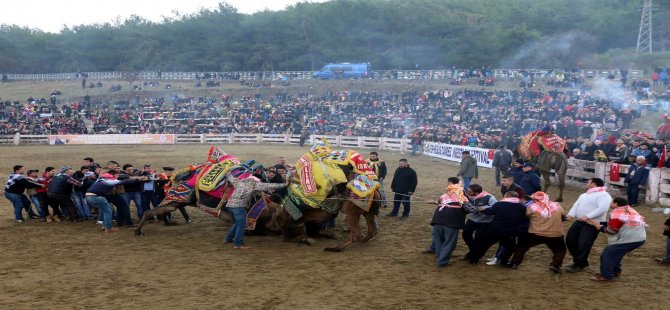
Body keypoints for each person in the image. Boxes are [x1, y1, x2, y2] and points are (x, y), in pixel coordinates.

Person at [586, 197, 646, 281]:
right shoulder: (628, 210)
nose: (610, 204)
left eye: (612, 202)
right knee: (616, 253)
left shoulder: (616, 214)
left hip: (629, 239)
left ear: (616, 204)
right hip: (639, 238)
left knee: (608, 254)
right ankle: (615, 271)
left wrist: (600, 227)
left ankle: (606, 275)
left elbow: (612, 230)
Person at [225, 174, 288, 249]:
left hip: (229, 206)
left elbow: (230, 177)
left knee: (237, 223)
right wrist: (284, 185)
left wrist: (227, 172)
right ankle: (238, 244)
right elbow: (269, 186)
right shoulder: (254, 185)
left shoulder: (239, 182)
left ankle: (228, 239)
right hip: (239, 206)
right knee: (241, 225)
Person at [510, 192, 567, 273]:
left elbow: (525, 216)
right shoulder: (557, 206)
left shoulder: (531, 206)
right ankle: (555, 265)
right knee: (560, 250)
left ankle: (514, 263)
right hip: (555, 234)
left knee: (522, 247)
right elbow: (563, 218)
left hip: (536, 233)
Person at [565, 178, 613, 273]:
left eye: (588, 182)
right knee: (570, 240)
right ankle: (581, 261)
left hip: (594, 222)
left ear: (593, 184)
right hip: (580, 221)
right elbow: (576, 205)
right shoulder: (584, 194)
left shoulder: (604, 195)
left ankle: (579, 263)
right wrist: (571, 214)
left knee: (584, 243)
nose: (586, 184)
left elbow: (602, 209)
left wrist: (588, 216)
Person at [465, 192, 527, 265]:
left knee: (483, 245)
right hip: (510, 232)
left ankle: (473, 259)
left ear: (506, 196)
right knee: (510, 247)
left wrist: (482, 209)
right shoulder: (522, 207)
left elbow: (490, 212)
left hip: (496, 230)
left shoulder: (499, 204)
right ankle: (503, 261)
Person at [425, 180, 470, 267]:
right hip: (451, 223)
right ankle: (442, 262)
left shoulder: (443, 196)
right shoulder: (462, 198)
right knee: (449, 242)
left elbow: (441, 203)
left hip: (437, 221)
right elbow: (469, 209)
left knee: (438, 241)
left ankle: (440, 257)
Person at [462, 184, 497, 255]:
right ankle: (474, 251)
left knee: (478, 238)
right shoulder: (468, 196)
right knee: (465, 234)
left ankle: (473, 255)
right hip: (472, 219)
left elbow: (496, 207)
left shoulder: (489, 198)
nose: (467, 192)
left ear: (476, 193)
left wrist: (484, 208)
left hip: (485, 221)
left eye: (469, 191)